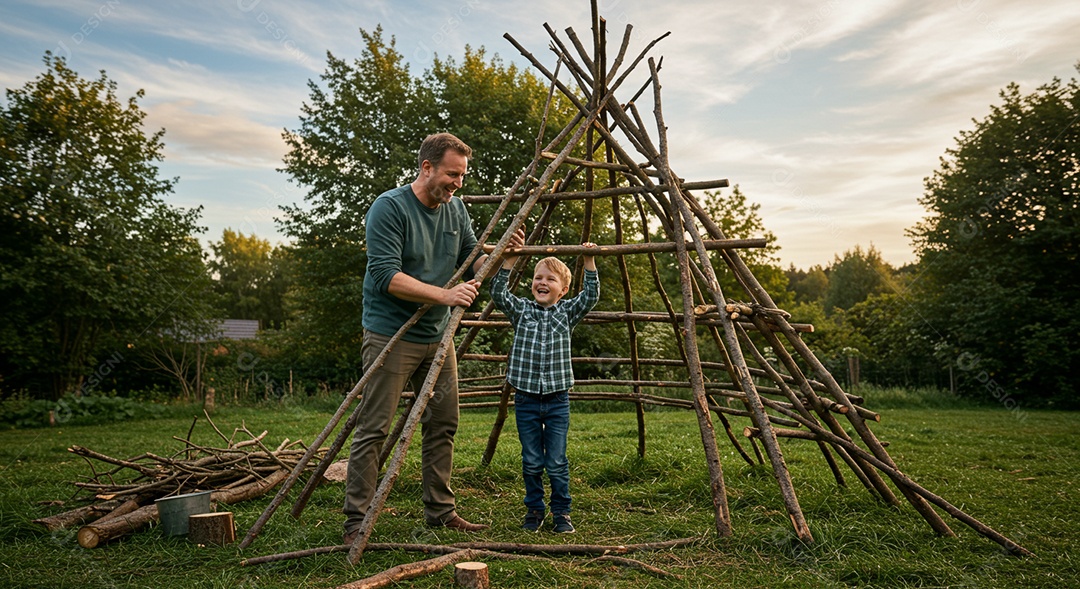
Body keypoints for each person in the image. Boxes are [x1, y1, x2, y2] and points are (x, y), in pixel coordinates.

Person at [343, 132, 524, 544]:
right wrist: (445, 294)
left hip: (437, 336)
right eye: (451, 174)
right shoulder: (389, 208)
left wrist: (503, 256)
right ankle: (356, 521)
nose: (457, 183)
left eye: (462, 176)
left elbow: (472, 262)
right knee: (375, 427)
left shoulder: (456, 210)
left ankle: (440, 512)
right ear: (426, 167)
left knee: (443, 423)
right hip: (391, 334)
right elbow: (385, 275)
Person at [490, 242, 599, 533]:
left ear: (562, 290)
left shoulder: (567, 313)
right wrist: (510, 260)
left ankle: (561, 513)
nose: (543, 282)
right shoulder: (522, 311)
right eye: (539, 277)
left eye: (551, 279)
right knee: (532, 459)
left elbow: (590, 296)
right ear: (532, 285)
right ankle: (534, 510)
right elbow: (498, 294)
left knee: (556, 460)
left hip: (557, 400)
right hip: (525, 398)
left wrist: (588, 261)